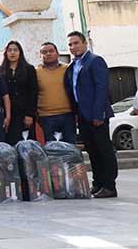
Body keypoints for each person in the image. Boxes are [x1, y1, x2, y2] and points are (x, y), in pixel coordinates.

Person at [64, 31, 118, 198]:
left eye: (76, 43)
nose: (73, 47)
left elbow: (102, 89)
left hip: (96, 115)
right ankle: (98, 183)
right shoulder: (72, 66)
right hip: (81, 115)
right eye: (70, 44)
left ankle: (109, 186)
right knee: (92, 152)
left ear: (85, 43)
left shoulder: (95, 61)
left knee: (104, 151)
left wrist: (98, 114)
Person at [0, 40, 38, 145]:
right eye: (10, 50)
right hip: (8, 115)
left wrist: (30, 114)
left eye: (15, 50)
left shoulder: (29, 69)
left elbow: (33, 92)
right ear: (6, 53)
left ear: (20, 52)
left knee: (27, 145)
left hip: (25, 114)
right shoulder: (0, 70)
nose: (12, 53)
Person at [36, 42, 75, 143]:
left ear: (58, 53)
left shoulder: (68, 69)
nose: (48, 54)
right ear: (40, 56)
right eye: (44, 52)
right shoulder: (36, 72)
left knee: (70, 149)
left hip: (68, 115)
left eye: (51, 51)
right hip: (46, 117)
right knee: (52, 150)